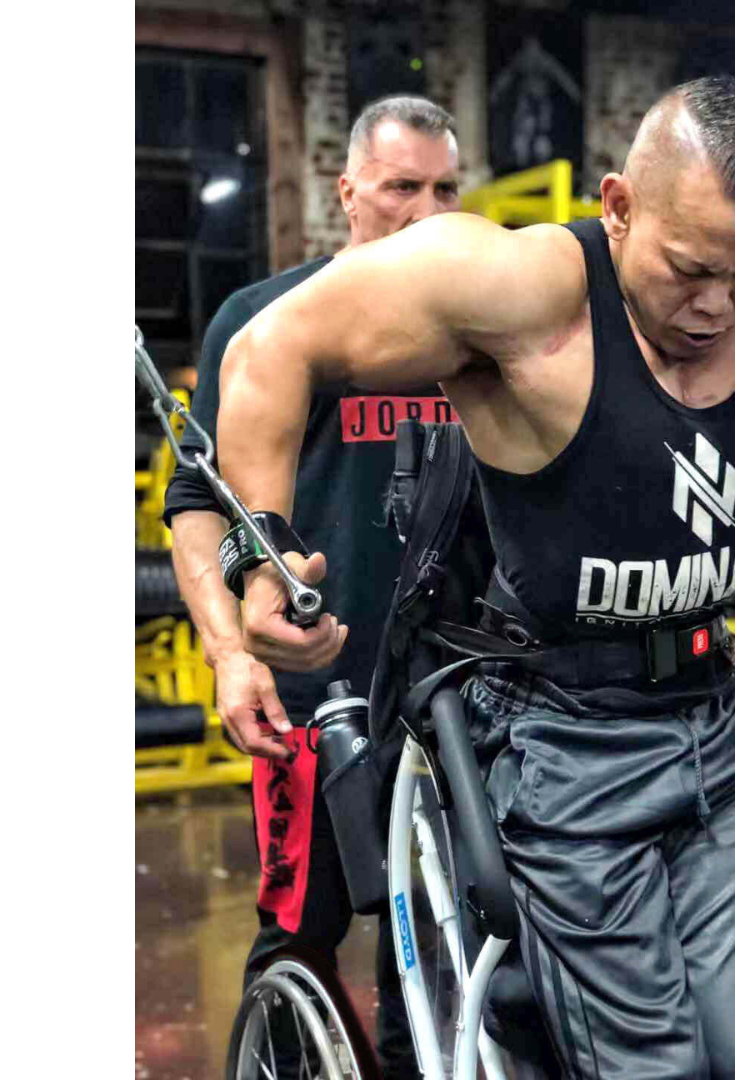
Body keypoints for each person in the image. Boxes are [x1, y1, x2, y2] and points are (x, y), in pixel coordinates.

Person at [215, 74, 735, 1079]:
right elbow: (268, 347)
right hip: (557, 731)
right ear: (617, 207)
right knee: (651, 1065)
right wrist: (257, 563)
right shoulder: (519, 290)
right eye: (689, 267)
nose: (715, 304)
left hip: (718, 719)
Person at [162, 94, 462, 1080]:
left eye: (446, 188)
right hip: (315, 696)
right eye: (400, 187)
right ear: (347, 193)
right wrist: (226, 654)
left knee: (449, 946)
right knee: (299, 935)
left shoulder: (486, 337)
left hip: (458, 697)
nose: (426, 210)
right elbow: (196, 499)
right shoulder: (265, 321)